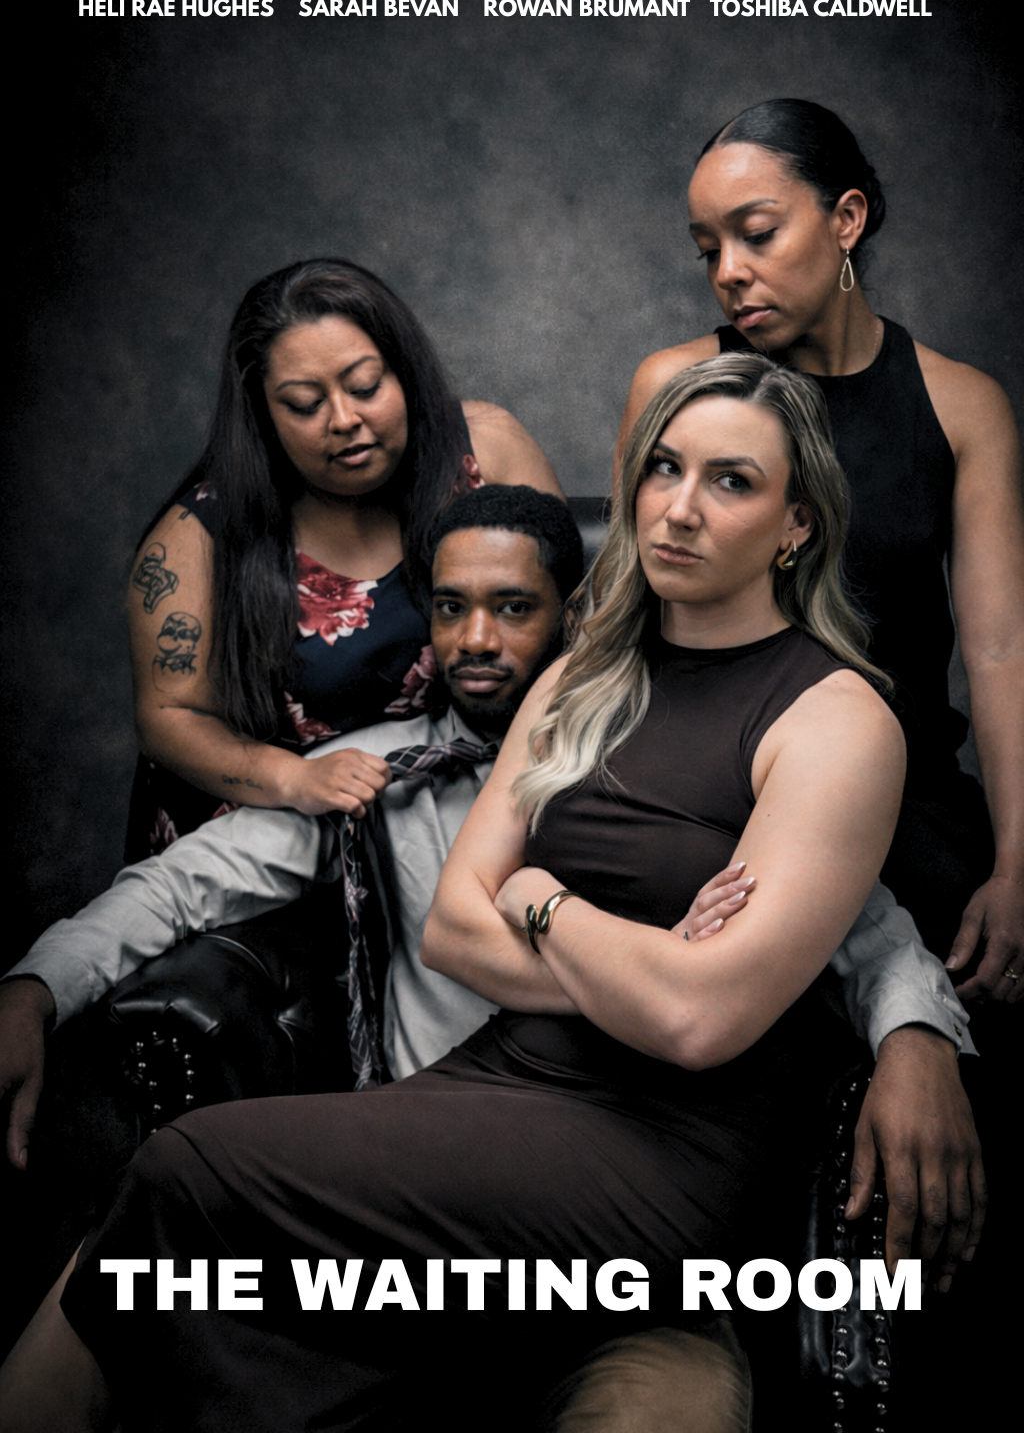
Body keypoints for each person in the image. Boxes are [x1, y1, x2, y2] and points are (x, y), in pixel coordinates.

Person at [0, 364, 987, 1431]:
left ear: (796, 524)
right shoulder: (578, 684)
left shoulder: (836, 719)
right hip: (487, 1091)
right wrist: (646, 967)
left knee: (186, 1168)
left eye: (731, 481)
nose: (679, 505)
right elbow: (453, 931)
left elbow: (709, 1017)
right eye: (662, 467)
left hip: (657, 1148)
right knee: (178, 1257)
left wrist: (541, 898)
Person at [614, 99, 1024, 1007]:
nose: (728, 272)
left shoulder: (962, 406)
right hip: (715, 790)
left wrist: (1018, 862)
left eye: (755, 234)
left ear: (847, 219)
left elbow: (998, 650)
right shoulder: (675, 386)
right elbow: (623, 618)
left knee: (971, 982)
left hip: (905, 798)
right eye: (707, 250)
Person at [124, 257, 563, 860]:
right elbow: (169, 717)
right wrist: (294, 780)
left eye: (364, 387)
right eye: (304, 404)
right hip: (265, 837)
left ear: (403, 372)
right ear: (262, 412)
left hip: (447, 816)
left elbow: (577, 617)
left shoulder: (488, 453)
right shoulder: (198, 537)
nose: (344, 419)